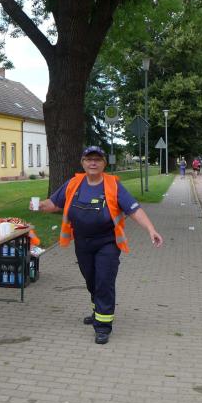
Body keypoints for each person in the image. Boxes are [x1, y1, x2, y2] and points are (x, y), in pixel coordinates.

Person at [36, 146, 163, 345]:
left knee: (104, 280)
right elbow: (54, 203)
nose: (93, 163)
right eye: (89, 159)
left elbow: (133, 209)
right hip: (82, 243)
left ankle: (103, 326)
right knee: (91, 280)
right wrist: (39, 205)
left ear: (104, 163)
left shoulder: (113, 184)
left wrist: (151, 229)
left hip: (107, 242)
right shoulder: (74, 183)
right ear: (82, 162)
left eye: (97, 159)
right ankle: (98, 312)